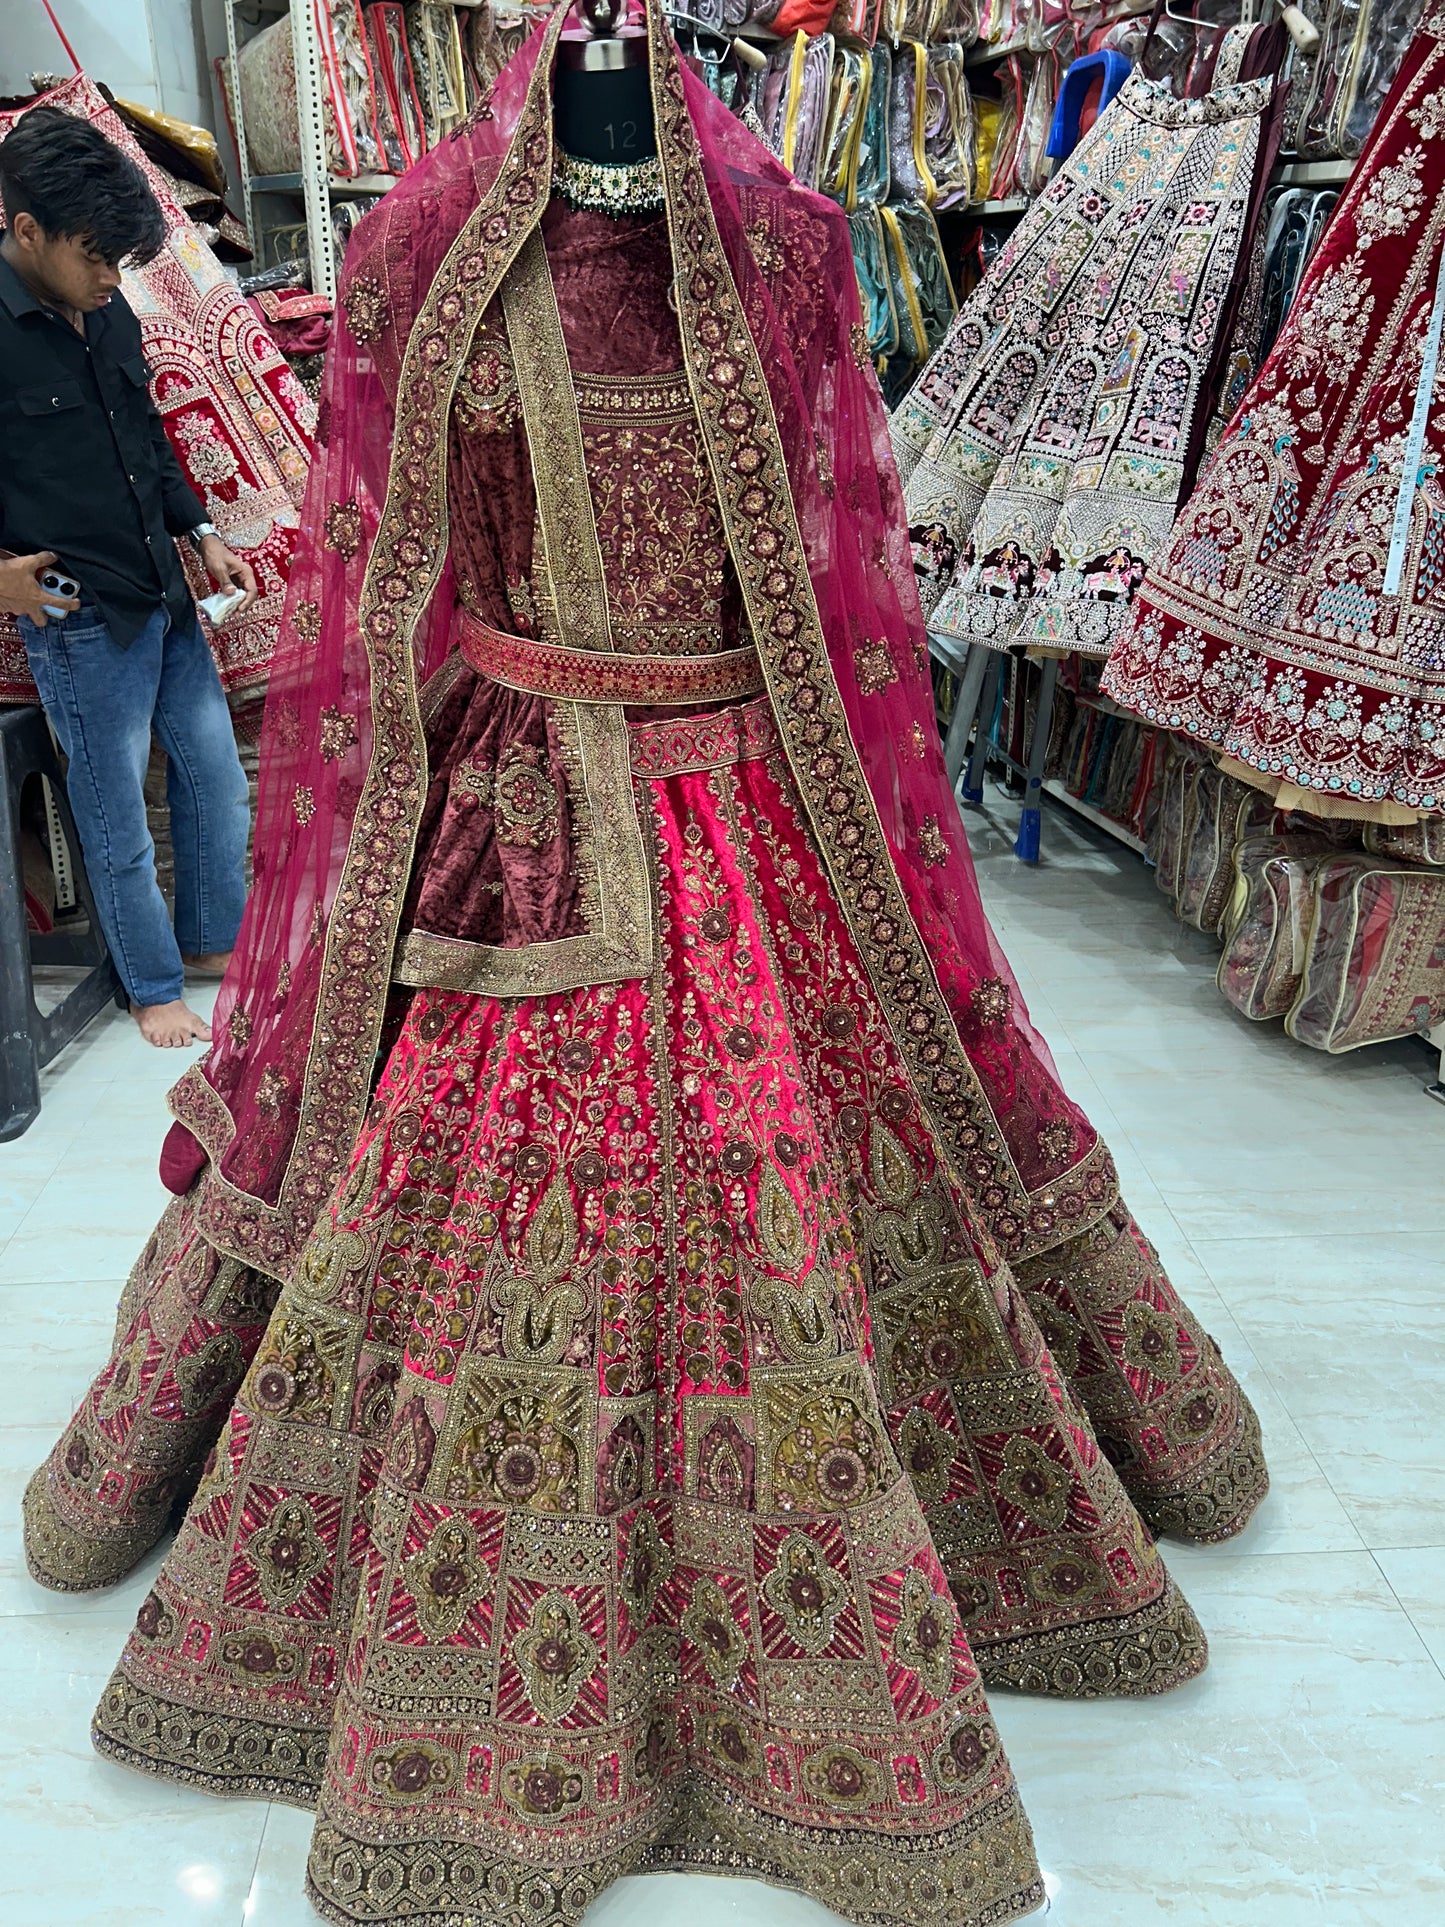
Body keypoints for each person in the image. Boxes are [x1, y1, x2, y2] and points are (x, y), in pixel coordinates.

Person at [23, 9, 1266, 1925]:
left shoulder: (786, 243)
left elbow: (844, 547)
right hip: (521, 812)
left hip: (759, 811)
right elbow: (382, 567)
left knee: (810, 1172)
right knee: (473, 1199)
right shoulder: (427, 237)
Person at [0, 106, 256, 1048]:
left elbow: (146, 435)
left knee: (213, 779)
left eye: (120, 260)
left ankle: (210, 944)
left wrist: (199, 531)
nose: (112, 279)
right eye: (95, 256)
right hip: (73, 613)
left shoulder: (107, 315)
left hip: (162, 585)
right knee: (115, 812)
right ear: (27, 230)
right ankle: (151, 988)